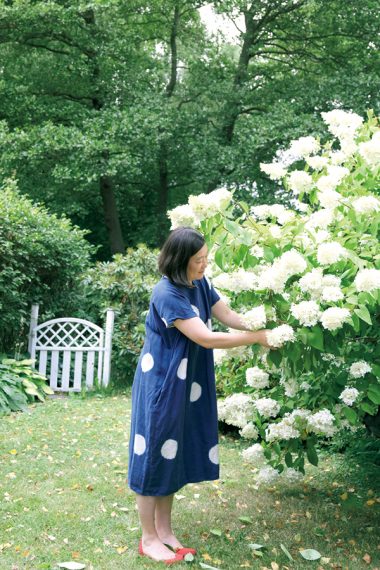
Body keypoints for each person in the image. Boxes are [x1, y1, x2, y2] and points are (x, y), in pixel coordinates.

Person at [128, 226, 271, 564]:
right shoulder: (166, 293)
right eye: (198, 260)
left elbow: (227, 316)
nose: (205, 264)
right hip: (162, 384)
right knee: (153, 456)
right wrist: (257, 338)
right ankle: (148, 537)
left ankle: (164, 531)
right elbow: (205, 337)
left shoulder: (199, 284)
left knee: (172, 452)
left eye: (206, 258)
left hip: (187, 383)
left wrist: (258, 325)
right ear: (180, 261)